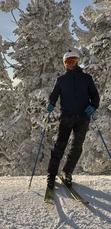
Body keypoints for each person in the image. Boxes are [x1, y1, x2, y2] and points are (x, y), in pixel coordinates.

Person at [46, 50, 100, 189]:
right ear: (65, 64)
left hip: (83, 117)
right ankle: (51, 175)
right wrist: (51, 103)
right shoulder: (61, 80)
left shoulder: (87, 78)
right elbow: (54, 95)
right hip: (67, 117)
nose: (71, 64)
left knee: (77, 147)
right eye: (68, 62)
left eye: (73, 61)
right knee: (60, 145)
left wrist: (93, 106)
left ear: (77, 61)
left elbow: (95, 96)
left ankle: (67, 172)